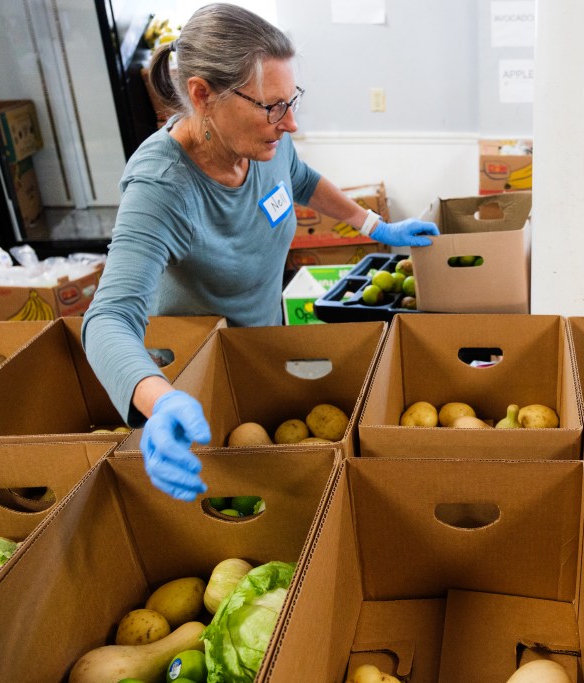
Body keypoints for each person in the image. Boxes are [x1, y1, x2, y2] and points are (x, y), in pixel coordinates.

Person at [81, 3, 438, 501]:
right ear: (202, 94)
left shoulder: (262, 142)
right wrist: (160, 403)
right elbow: (108, 319)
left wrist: (374, 223)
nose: (289, 123)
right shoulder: (162, 188)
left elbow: (299, 179)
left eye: (292, 101)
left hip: (264, 344)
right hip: (201, 380)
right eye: (272, 106)